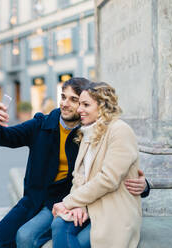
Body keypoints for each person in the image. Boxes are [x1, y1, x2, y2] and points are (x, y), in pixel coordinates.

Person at [0, 78, 149, 248]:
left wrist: (144, 185)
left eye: (75, 100)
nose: (65, 104)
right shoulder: (42, 124)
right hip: (33, 200)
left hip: (63, 200)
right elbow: (9, 136)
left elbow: (114, 169)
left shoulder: (89, 132)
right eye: (63, 97)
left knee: (25, 236)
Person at [52, 82, 142, 248]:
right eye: (80, 104)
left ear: (103, 106)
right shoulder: (87, 131)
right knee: (58, 225)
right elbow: (78, 177)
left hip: (112, 210)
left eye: (86, 105)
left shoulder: (120, 131)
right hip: (89, 205)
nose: (79, 110)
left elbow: (108, 179)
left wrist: (68, 202)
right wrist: (77, 205)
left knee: (76, 241)